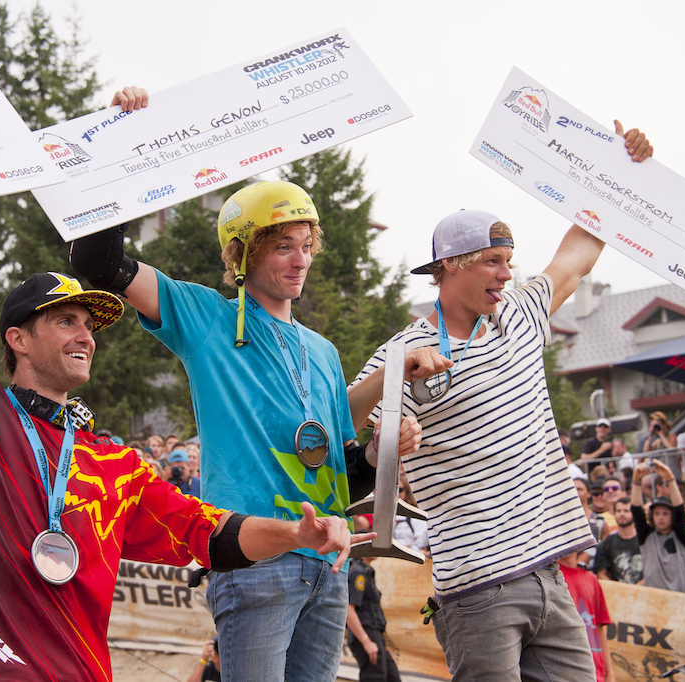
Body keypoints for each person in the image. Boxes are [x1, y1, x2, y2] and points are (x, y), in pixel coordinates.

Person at [0, 77, 370, 681]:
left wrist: (296, 530)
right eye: (63, 321)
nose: (85, 334)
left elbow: (211, 533)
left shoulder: (117, 466)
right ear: (17, 339)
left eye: (90, 323)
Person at [68, 140, 424, 677]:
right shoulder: (206, 317)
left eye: (305, 245)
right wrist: (120, 146)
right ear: (242, 252)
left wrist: (380, 450)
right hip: (254, 563)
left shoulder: (323, 351)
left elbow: (335, 457)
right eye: (283, 246)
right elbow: (97, 261)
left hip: (326, 567)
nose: (300, 259)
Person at [346, 119, 653, 681]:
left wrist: (618, 171)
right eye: (493, 261)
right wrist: (395, 399)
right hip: (477, 589)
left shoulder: (518, 314)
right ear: (451, 268)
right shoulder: (407, 349)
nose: (508, 274)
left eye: (509, 260)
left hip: (551, 574)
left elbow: (579, 254)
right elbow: (346, 418)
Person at [630, 459, 685, 593]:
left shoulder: (679, 535)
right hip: (654, 598)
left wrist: (670, 478)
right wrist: (636, 480)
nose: (661, 517)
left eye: (665, 513)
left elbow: (679, 509)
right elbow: (636, 511)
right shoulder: (646, 536)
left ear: (671, 516)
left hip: (680, 596)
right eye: (656, 513)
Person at [556, 551, 616, 682]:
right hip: (564, 670)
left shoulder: (591, 578)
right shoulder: (550, 577)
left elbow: (599, 630)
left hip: (595, 672)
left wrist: (610, 674)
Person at [347, 549, 400, 682]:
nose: (377, 549)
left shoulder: (365, 571)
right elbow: (348, 610)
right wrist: (366, 641)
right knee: (375, 677)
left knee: (392, 677)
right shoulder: (358, 572)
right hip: (366, 632)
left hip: (374, 633)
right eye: (372, 546)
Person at [593, 499, 643, 584]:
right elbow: (601, 574)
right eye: (618, 511)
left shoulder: (643, 541)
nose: (622, 514)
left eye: (626, 511)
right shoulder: (607, 543)